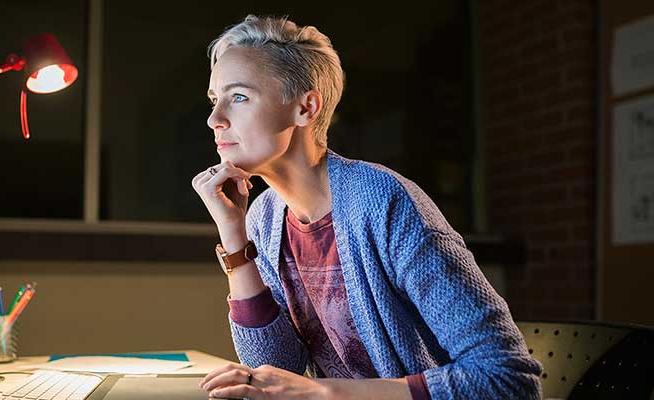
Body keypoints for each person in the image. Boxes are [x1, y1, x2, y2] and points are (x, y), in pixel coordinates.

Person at [192, 15, 542, 400]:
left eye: (238, 97)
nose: (214, 119)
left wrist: (322, 393)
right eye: (214, 100)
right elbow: (277, 365)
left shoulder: (384, 202)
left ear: (306, 108)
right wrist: (234, 235)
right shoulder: (266, 216)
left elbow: (508, 378)